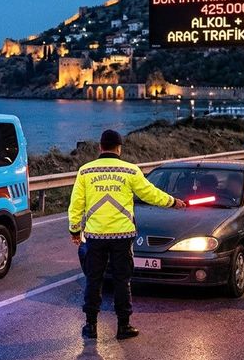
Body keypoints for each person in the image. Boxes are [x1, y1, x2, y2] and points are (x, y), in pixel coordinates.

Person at [68, 129, 186, 340]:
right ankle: (123, 326)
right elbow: (150, 193)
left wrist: (75, 230)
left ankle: (91, 326)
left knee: (93, 280)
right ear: (119, 148)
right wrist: (172, 202)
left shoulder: (85, 171)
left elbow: (76, 205)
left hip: (95, 236)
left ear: (100, 147)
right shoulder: (131, 171)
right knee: (122, 280)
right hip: (123, 236)